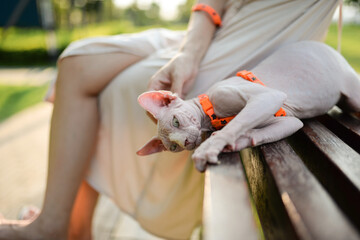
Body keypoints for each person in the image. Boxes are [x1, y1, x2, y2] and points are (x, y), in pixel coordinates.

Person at [0, 0, 340, 239]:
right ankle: (68, 228)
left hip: (255, 47)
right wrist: (189, 52)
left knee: (107, 89)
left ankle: (60, 229)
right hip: (201, 37)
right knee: (75, 61)